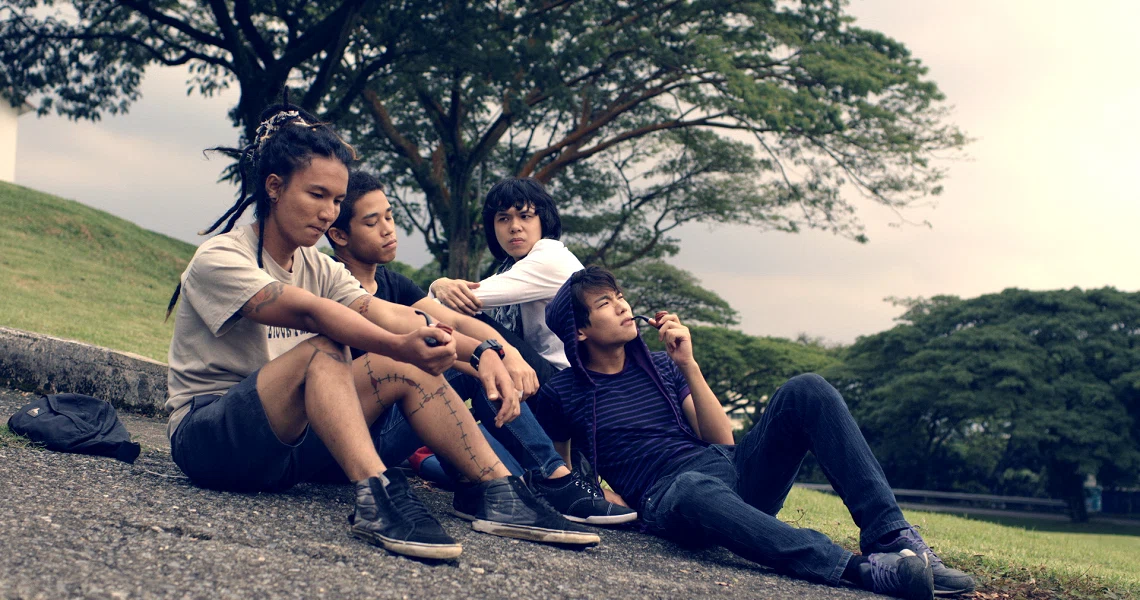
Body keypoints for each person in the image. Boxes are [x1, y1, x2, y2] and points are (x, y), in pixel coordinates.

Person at [164, 104, 600, 561]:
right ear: (274, 186)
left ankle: (500, 492)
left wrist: (482, 353)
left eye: (336, 200)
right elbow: (312, 315)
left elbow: (393, 315)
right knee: (326, 348)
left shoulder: (318, 266)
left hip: (291, 450)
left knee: (399, 361)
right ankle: (378, 495)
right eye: (317, 195)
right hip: (212, 439)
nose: (328, 213)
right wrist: (399, 345)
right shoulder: (221, 257)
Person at [531, 266, 978, 599]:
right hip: (672, 498)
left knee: (807, 389)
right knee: (692, 487)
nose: (624, 305)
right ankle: (863, 571)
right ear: (581, 330)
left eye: (621, 295)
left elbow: (722, 439)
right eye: (605, 303)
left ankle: (891, 536)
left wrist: (688, 363)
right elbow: (561, 471)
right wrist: (602, 500)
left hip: (728, 473)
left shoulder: (662, 367)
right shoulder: (564, 393)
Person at [324, 170, 636, 526]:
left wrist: (498, 352)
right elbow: (449, 312)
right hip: (348, 444)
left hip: (564, 391)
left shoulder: (394, 283)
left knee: (474, 360)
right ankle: (548, 478)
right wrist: (488, 349)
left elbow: (452, 318)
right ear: (339, 234)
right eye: (372, 222)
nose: (388, 229)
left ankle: (517, 481)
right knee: (450, 359)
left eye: (390, 216)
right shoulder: (330, 280)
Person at [429, 177, 583, 383]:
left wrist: (438, 286)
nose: (514, 227)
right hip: (546, 375)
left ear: (543, 221)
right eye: (503, 219)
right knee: (470, 354)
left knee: (476, 340)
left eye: (525, 216)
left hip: (566, 382)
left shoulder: (549, 258)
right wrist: (439, 286)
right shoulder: (512, 268)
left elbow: (450, 303)